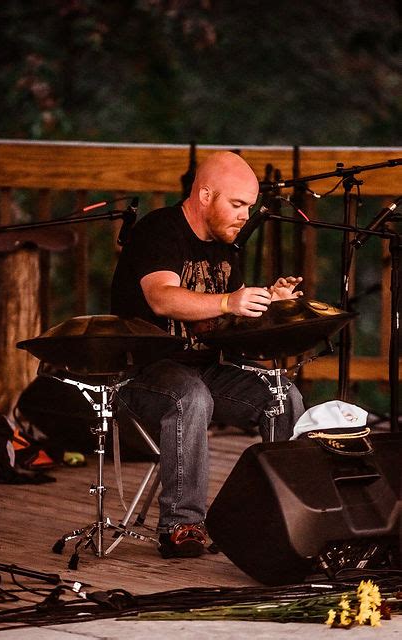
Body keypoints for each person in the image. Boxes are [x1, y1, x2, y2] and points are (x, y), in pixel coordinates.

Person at [111, 151, 305, 559]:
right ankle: (182, 523)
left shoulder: (226, 247)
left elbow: (217, 327)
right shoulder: (159, 230)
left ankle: (278, 514)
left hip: (206, 368)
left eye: (249, 207)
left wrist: (268, 305)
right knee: (189, 396)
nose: (244, 216)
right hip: (141, 372)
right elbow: (161, 298)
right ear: (204, 196)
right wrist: (228, 303)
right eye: (237, 205)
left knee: (281, 394)